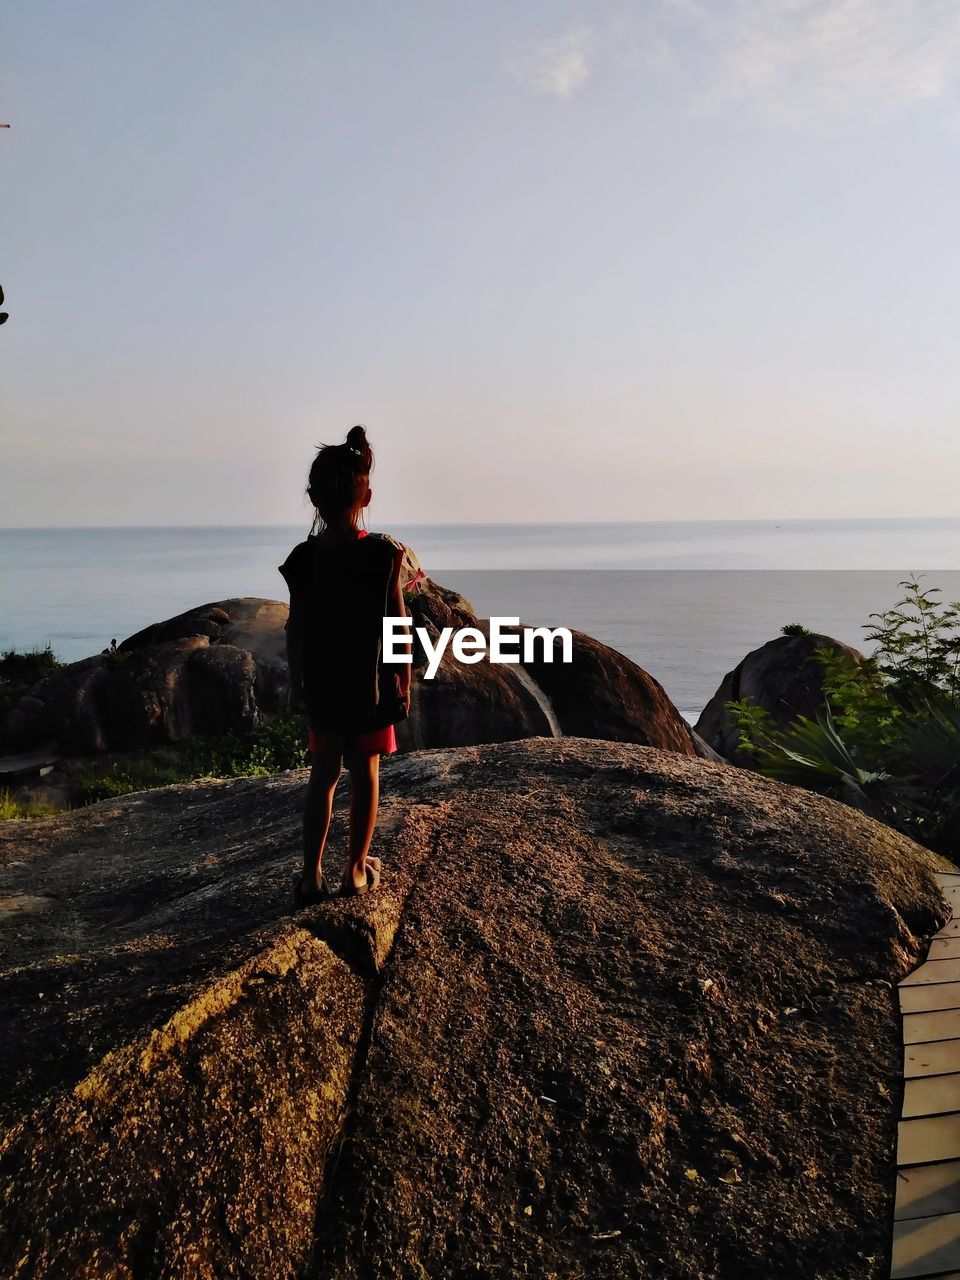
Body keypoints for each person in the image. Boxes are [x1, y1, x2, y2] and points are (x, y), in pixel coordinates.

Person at [279, 425, 414, 905]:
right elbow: (398, 626)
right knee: (366, 774)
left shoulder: (303, 560)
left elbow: (295, 630)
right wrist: (405, 681)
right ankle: (355, 870)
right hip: (372, 688)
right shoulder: (383, 556)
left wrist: (296, 684)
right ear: (368, 495)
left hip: (324, 687)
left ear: (313, 500)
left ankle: (311, 875)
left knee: (324, 775)